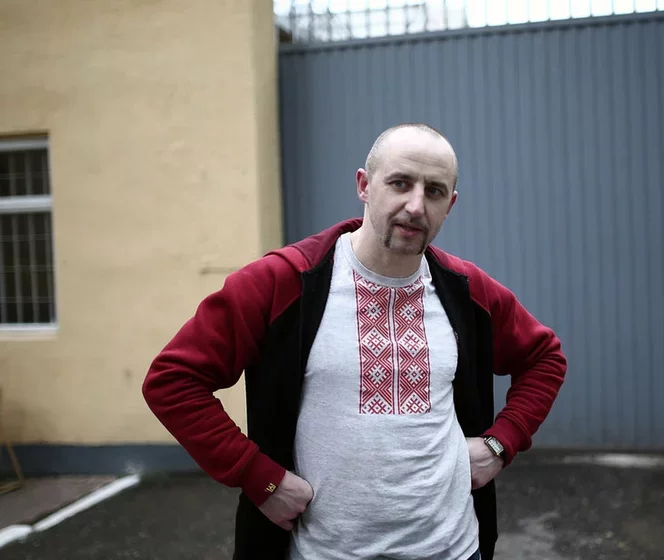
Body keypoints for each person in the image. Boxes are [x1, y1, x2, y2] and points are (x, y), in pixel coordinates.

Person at [142, 123, 568, 560]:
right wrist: (260, 478)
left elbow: (544, 358)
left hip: (454, 549)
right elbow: (173, 381)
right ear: (364, 185)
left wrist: (500, 444)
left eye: (434, 191)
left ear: (450, 205)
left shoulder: (466, 290)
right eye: (400, 183)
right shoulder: (282, 283)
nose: (415, 206)